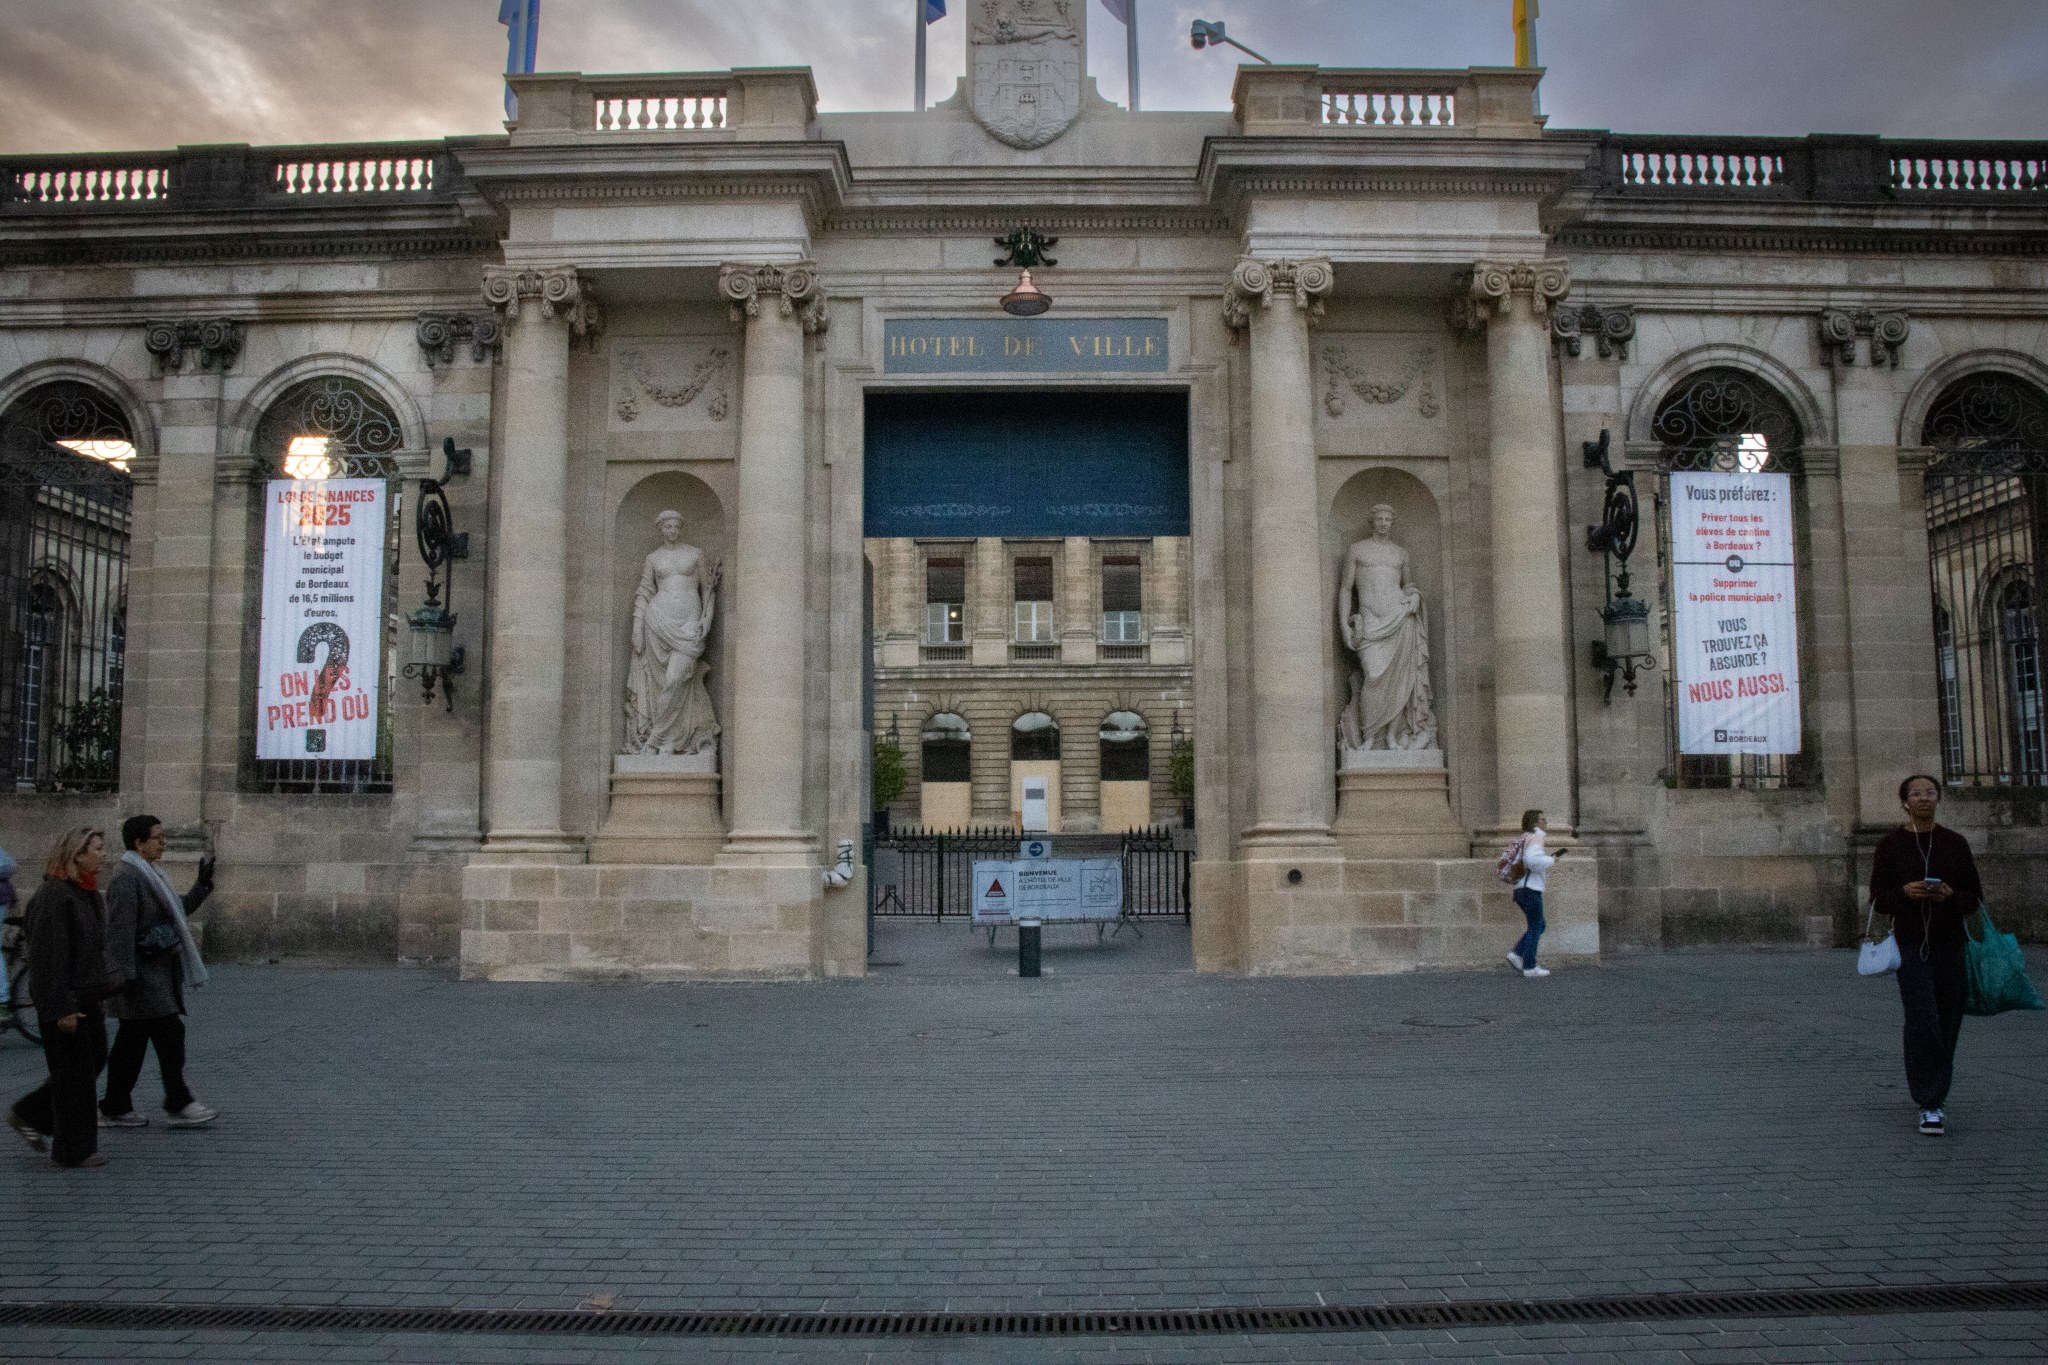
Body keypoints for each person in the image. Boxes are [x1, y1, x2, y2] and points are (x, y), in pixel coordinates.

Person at [1869, 774, 1982, 1137]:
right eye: (1915, 794)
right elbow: (1878, 899)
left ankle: (1937, 1087)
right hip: (1909, 943)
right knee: (1922, 1018)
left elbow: (1973, 899)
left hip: (1950, 943)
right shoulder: (1890, 844)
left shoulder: (1955, 843)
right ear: (1904, 802)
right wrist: (1904, 892)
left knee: (1947, 1019)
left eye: (1930, 793)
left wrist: (1949, 894)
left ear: (1939, 799)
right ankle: (1929, 1102)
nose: (1923, 799)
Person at [7, 827, 122, 1168]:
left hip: (88, 997)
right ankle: (73, 1150)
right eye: (98, 849)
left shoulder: (87, 894)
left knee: (92, 1062)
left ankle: (30, 1113)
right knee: (73, 1076)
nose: (104, 855)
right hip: (65, 1001)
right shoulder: (53, 897)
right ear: (76, 855)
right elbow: (47, 960)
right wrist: (60, 1009)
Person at [99, 814, 218, 1130]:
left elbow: (175, 911)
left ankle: (114, 1105)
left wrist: (202, 886)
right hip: (142, 977)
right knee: (169, 1034)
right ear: (138, 843)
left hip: (156, 974)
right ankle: (178, 1102)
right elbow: (120, 932)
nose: (164, 842)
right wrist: (124, 976)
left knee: (132, 1042)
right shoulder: (127, 878)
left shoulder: (151, 874)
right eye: (158, 837)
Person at [1505, 809, 1562, 979]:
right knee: (1536, 926)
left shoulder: (1523, 838)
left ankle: (1517, 954)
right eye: (1543, 819)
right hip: (1530, 888)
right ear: (1535, 822)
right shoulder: (1536, 838)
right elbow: (1531, 860)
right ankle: (1529, 966)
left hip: (1521, 888)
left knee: (1538, 925)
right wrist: (1552, 860)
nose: (1546, 822)